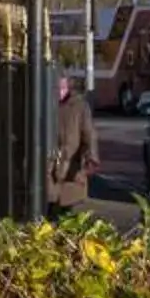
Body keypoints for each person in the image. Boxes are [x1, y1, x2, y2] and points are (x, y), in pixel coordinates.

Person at [47, 68, 98, 212]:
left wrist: (92, 156)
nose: (60, 92)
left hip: (71, 166)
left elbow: (89, 133)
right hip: (50, 165)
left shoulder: (79, 106)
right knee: (50, 204)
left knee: (67, 206)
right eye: (57, 88)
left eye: (63, 88)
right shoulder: (47, 104)